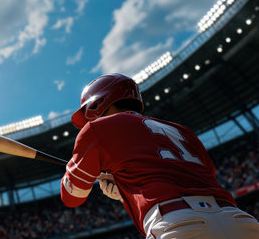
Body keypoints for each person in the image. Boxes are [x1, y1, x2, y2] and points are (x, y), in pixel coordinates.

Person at [60, 73, 259, 238]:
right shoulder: (182, 131)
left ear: (99, 103)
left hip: (179, 225)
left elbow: (72, 197)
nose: (88, 119)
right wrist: (125, 190)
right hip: (239, 221)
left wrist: (77, 169)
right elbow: (200, 178)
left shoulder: (96, 129)